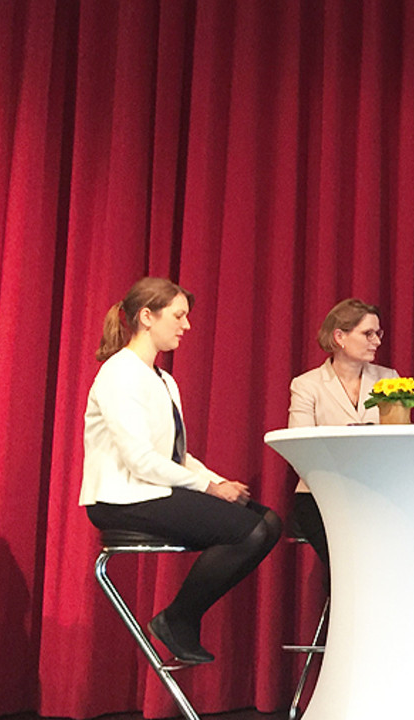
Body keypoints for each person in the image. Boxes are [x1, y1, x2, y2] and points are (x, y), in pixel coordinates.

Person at [80, 277, 281, 665]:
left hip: (151, 489)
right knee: (249, 531)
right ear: (146, 317)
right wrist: (208, 487)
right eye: (178, 316)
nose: (186, 326)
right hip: (121, 498)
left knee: (268, 522)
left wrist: (217, 482)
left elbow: (174, 455)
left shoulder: (164, 379)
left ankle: (179, 618)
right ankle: (179, 618)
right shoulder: (120, 374)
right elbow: (139, 460)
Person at [287, 299, 399, 574]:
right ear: (340, 336)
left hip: (376, 494)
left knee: (384, 561)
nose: (376, 341)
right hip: (321, 495)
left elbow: (399, 442)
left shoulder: (390, 379)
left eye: (378, 334)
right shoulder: (306, 385)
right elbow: (299, 450)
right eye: (367, 334)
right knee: (349, 566)